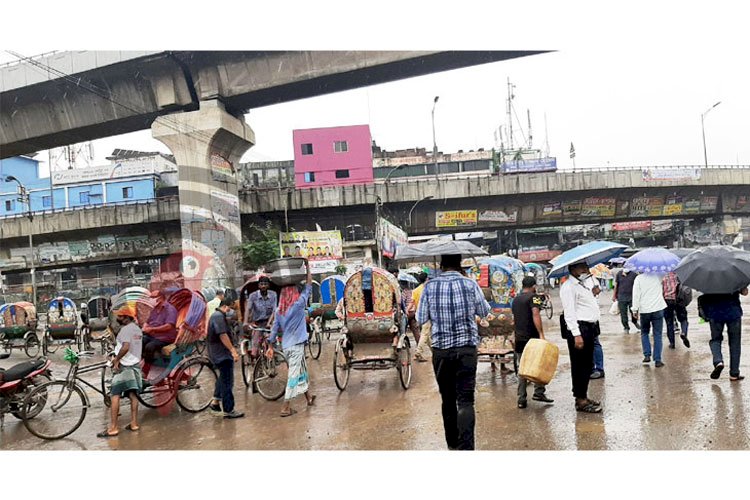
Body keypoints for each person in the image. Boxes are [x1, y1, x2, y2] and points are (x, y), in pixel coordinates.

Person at [416, 254, 491, 450]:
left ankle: (452, 445)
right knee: (465, 401)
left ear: (441, 265)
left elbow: (421, 318)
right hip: (466, 350)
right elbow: (484, 311)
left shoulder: (429, 287)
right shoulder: (470, 284)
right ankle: (466, 448)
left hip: (441, 351)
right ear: (459, 264)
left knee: (447, 399)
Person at [270, 261, 317, 417]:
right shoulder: (298, 304)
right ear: (294, 293)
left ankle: (308, 397)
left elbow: (274, 330)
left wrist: (270, 344)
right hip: (296, 345)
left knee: (301, 371)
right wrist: (308, 267)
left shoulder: (278, 311)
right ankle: (285, 407)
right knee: (293, 376)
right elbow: (309, 285)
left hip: (286, 346)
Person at [560, 261, 602, 413]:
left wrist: (595, 290)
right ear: (573, 269)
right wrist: (577, 335)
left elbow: (590, 300)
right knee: (579, 366)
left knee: (587, 365)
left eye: (586, 266)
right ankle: (580, 400)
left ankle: (583, 395)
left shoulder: (584, 283)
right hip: (579, 329)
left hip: (590, 328)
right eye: (582, 267)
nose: (586, 269)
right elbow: (569, 313)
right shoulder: (568, 287)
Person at [97, 306, 143, 438]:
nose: (118, 318)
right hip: (134, 365)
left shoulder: (126, 330)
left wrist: (116, 359)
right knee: (133, 394)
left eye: (121, 316)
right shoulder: (136, 329)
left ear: (127, 318)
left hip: (125, 366)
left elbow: (126, 347)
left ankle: (113, 428)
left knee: (115, 394)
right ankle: (134, 423)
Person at [512, 276, 554, 408]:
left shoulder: (516, 299)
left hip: (519, 338)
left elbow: (514, 319)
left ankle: (521, 398)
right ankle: (539, 392)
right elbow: (536, 314)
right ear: (533, 286)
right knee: (539, 364)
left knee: (522, 368)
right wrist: (541, 334)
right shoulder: (533, 297)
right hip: (532, 338)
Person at [699, 286, 749, 381]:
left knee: (715, 340)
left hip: (715, 313)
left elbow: (703, 292)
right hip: (733, 312)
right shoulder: (734, 274)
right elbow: (745, 292)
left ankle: (718, 361)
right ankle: (734, 373)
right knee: (735, 343)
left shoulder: (708, 276)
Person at [207, 298, 244, 419]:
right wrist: (233, 351)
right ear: (227, 306)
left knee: (223, 378)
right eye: (232, 308)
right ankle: (229, 410)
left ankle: (215, 402)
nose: (232, 311)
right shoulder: (218, 316)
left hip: (219, 352)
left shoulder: (218, 316)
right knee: (228, 381)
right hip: (221, 354)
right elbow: (222, 335)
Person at [632, 272, 668, 367]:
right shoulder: (658, 275)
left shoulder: (638, 278)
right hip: (658, 308)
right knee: (657, 335)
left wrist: (634, 310)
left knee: (644, 333)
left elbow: (636, 295)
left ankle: (647, 355)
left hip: (645, 310)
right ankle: (657, 360)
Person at [243, 276, 277, 358]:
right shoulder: (253, 296)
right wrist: (245, 322)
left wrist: (270, 323)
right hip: (258, 323)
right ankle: (255, 359)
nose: (263, 286)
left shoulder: (273, 295)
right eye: (261, 284)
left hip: (270, 322)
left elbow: (274, 310)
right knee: (255, 345)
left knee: (272, 341)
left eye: (265, 284)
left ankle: (273, 357)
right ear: (259, 285)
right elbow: (248, 309)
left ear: (268, 285)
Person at [141, 289, 178, 363]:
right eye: (150, 298)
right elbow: (148, 321)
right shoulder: (154, 309)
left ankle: (147, 367)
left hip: (165, 338)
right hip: (152, 335)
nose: (151, 300)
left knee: (149, 347)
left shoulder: (170, 310)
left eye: (153, 297)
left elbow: (169, 326)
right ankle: (141, 361)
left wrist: (152, 329)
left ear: (160, 298)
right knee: (139, 341)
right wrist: (145, 326)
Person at [583, 275, 605, 379]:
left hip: (591, 316)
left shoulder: (590, 279)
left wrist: (592, 292)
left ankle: (599, 369)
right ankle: (591, 368)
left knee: (594, 343)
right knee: (588, 344)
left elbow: (597, 291)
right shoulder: (580, 281)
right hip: (584, 317)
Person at [662, 271, 691, 349]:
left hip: (667, 301)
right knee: (683, 319)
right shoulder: (679, 275)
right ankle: (684, 332)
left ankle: (672, 343)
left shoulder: (662, 277)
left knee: (669, 322)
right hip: (679, 300)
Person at [410, 272, 431, 362]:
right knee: (425, 334)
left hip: (419, 314)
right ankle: (418, 353)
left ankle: (433, 350)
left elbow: (412, 303)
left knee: (426, 334)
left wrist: (407, 310)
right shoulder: (428, 289)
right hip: (428, 314)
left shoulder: (415, 291)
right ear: (426, 279)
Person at [614, 268, 639, 333]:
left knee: (634, 312)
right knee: (623, 314)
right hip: (621, 297)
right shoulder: (619, 274)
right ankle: (626, 327)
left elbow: (638, 286)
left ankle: (635, 322)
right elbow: (616, 285)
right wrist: (614, 295)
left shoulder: (634, 275)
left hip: (632, 297)